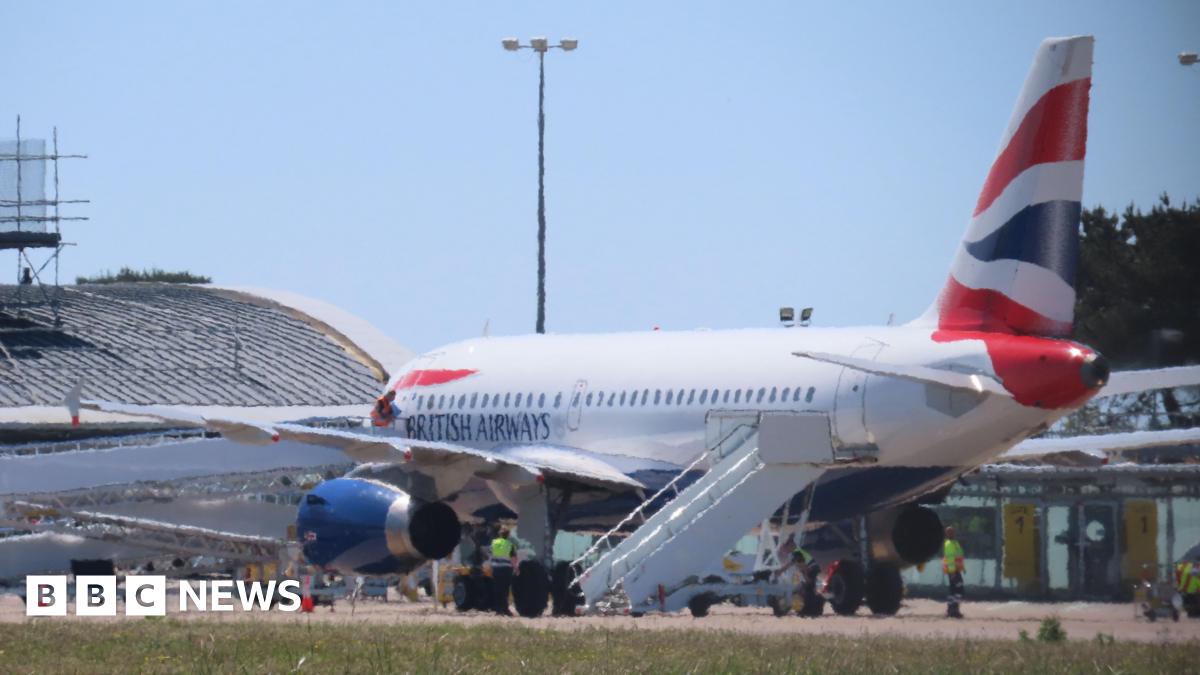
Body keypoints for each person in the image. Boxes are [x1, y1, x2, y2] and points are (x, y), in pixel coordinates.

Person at [775, 534, 821, 612]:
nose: (785, 551)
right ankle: (811, 607)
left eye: (786, 548)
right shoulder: (795, 553)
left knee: (809, 589)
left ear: (791, 546)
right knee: (808, 589)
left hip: (811, 569)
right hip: (812, 569)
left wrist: (806, 577)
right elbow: (790, 564)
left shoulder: (797, 553)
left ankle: (812, 608)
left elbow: (803, 567)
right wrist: (780, 571)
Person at [490, 527, 519, 616]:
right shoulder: (510, 545)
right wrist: (516, 569)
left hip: (496, 569)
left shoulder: (494, 543)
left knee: (497, 589)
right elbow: (513, 558)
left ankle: (498, 610)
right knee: (505, 590)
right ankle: (505, 609)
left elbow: (490, 553)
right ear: (508, 535)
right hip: (506, 569)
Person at [942, 526, 965, 619]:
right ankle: (953, 609)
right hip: (953, 571)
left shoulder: (954, 543)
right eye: (950, 532)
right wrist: (952, 572)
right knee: (958, 589)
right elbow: (950, 559)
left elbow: (958, 555)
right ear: (947, 534)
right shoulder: (949, 544)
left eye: (953, 532)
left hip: (956, 570)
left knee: (954, 590)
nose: (952, 533)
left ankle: (952, 609)